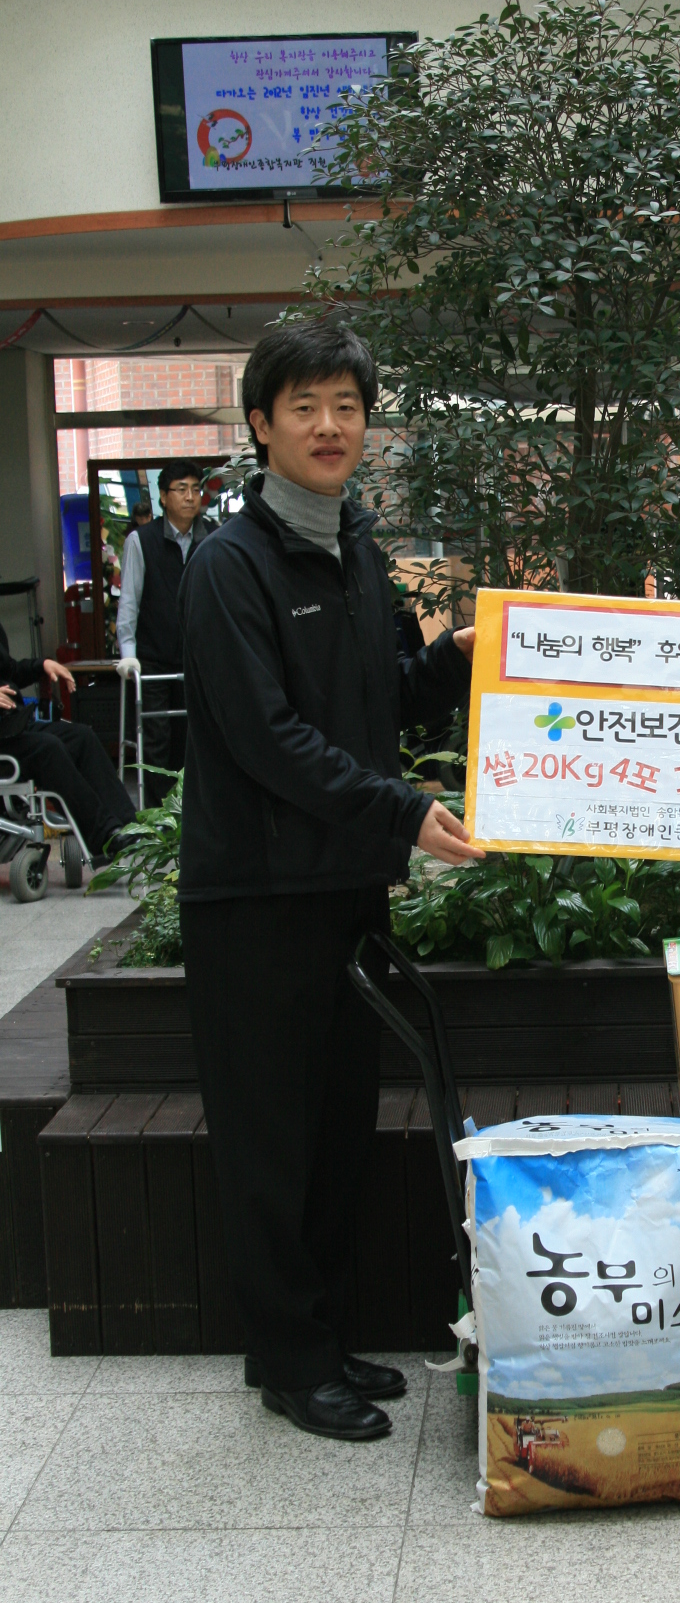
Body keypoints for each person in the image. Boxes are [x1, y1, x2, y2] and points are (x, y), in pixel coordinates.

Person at [178, 317, 483, 1445]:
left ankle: (320, 1338)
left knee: (334, 1130)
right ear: (260, 425)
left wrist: (449, 661)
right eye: (303, 407)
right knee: (272, 1136)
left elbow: (380, 696)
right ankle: (289, 1361)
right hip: (254, 899)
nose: (328, 426)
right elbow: (265, 738)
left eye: (346, 407)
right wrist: (404, 812)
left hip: (343, 888)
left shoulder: (356, 549)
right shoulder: (229, 564)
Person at [116, 460, 212, 807]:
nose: (190, 497)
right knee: (157, 740)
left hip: (199, 658)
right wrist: (128, 653)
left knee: (197, 737)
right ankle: (161, 816)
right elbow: (129, 602)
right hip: (154, 659)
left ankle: (195, 812)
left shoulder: (212, 537)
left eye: (196, 489)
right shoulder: (141, 541)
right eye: (181, 489)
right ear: (163, 496)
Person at [0, 624, 135, 867]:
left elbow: (9, 670)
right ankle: (105, 835)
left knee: (81, 737)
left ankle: (129, 825)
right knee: (48, 748)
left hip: (12, 725)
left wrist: (41, 666)